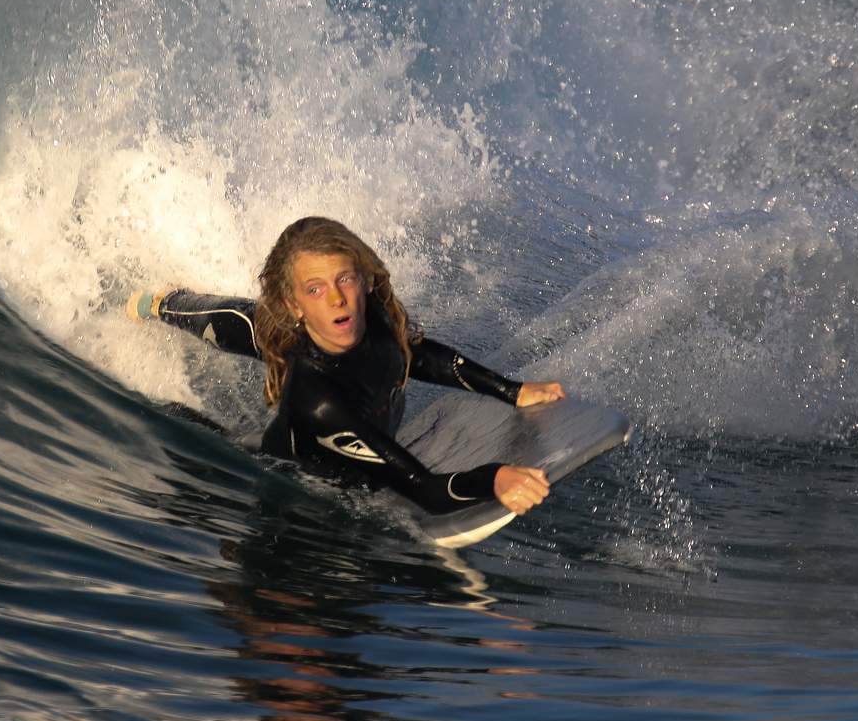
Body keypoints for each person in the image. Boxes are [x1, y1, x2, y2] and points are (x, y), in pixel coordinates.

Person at [127, 217, 564, 517]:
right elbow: (425, 491)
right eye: (316, 288)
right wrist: (495, 478)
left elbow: (417, 355)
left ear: (366, 280)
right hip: (272, 480)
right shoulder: (316, 401)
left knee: (265, 329)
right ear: (294, 304)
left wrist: (512, 390)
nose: (337, 299)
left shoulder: (368, 314)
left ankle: (167, 303)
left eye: (346, 279)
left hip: (305, 417)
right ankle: (159, 314)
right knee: (252, 332)